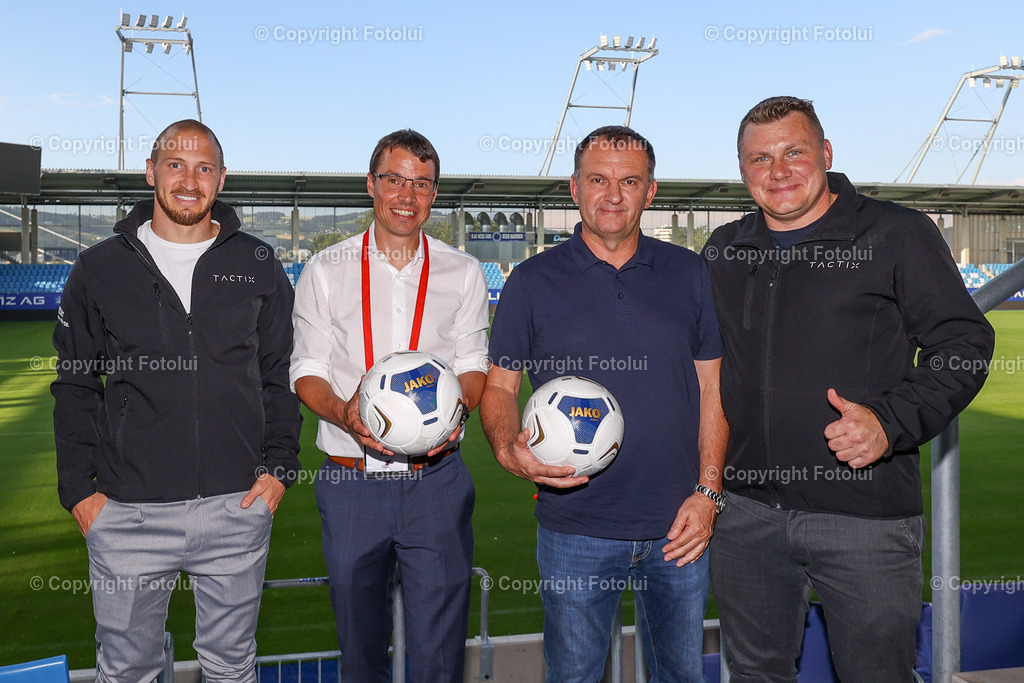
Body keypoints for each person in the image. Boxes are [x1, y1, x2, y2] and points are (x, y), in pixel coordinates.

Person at [703, 96, 996, 682]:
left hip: (863, 516)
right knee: (757, 674)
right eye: (759, 159)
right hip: (747, 515)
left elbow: (964, 345)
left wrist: (890, 421)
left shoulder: (896, 233)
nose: (778, 171)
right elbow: (701, 368)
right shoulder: (724, 249)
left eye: (794, 152)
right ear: (742, 171)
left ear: (826, 153)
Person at [52, 119, 302, 682]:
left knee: (232, 668)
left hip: (236, 507)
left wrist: (280, 470)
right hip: (126, 512)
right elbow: (74, 384)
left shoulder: (259, 264)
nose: (189, 180)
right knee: (127, 672)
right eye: (175, 164)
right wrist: (81, 494)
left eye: (204, 167)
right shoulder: (98, 268)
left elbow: (277, 376)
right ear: (151, 172)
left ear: (220, 178)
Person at [480, 125, 728, 682]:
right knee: (573, 678)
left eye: (629, 181)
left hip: (679, 526)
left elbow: (714, 392)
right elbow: (499, 389)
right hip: (575, 527)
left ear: (651, 191)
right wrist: (505, 447)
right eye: (598, 179)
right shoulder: (530, 281)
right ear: (574, 187)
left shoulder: (690, 275)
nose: (612, 194)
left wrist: (709, 493)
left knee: (679, 678)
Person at [290, 129, 489, 683]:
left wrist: (458, 412)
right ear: (371, 184)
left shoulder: (463, 271)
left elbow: (475, 362)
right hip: (352, 484)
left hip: (437, 483)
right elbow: (305, 371)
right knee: (359, 655)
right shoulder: (325, 269)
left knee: (440, 656)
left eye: (421, 184)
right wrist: (344, 414)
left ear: (434, 194)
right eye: (395, 179)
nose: (407, 194)